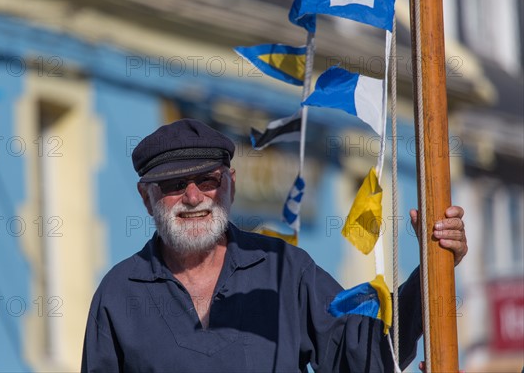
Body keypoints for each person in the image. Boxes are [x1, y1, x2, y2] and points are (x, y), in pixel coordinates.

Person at [82, 118, 468, 372]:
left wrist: (433, 266)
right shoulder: (118, 293)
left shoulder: (284, 269)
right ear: (146, 198)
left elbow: (363, 353)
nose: (194, 196)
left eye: (208, 180)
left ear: (230, 183)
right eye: (173, 185)